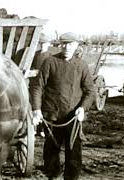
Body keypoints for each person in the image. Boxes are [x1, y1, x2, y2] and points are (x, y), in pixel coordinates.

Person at [29, 32, 96, 180]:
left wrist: (82, 108)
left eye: (70, 44)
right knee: (51, 153)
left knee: (73, 154)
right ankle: (52, 176)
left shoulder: (81, 65)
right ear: (60, 45)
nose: (66, 47)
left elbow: (90, 91)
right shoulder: (50, 62)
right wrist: (36, 109)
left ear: (76, 46)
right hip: (52, 115)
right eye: (64, 44)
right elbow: (37, 87)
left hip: (73, 117)